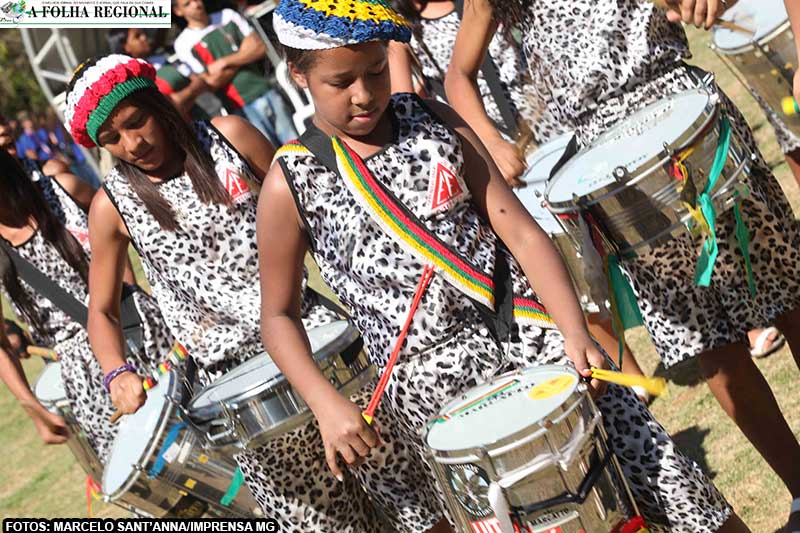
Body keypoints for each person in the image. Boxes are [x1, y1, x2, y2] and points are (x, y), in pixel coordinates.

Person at [258, 1, 750, 531]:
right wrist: (325, 403)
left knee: (664, 476)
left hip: (526, 336)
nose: (364, 94)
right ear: (298, 74)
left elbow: (517, 229)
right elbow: (278, 317)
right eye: (341, 82)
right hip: (433, 395)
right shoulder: (292, 181)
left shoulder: (433, 120)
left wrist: (574, 330)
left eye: (377, 71)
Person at [446, 0, 800, 530]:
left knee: (787, 294)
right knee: (708, 343)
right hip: (608, 168)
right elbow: (458, 75)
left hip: (684, 114)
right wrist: (489, 140)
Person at [70, 54, 429, 531]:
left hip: (316, 342)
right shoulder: (110, 206)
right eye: (112, 139)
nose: (132, 144)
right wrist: (116, 372)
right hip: (237, 390)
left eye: (136, 122)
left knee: (408, 494)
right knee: (323, 523)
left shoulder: (230, 137)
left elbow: (316, 211)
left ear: (157, 103)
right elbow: (102, 311)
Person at [0, 147, 173, 463]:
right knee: (150, 474)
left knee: (209, 434)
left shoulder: (63, 189)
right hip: (88, 377)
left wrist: (127, 289)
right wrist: (32, 407)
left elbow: (120, 225)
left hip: (141, 327)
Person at [172, 0, 298, 145]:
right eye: (187, 3)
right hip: (240, 107)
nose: (196, 4)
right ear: (178, 11)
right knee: (268, 151)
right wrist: (244, 54)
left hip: (266, 89)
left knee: (295, 144)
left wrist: (224, 62)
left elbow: (260, 47)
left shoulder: (228, 15)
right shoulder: (183, 43)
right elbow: (210, 83)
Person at [107, 28, 222, 121]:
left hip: (212, 111)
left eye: (143, 33)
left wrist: (184, 96)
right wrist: (192, 90)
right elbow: (169, 107)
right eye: (137, 36)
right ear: (125, 47)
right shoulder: (134, 81)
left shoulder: (163, 58)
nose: (144, 37)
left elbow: (199, 80)